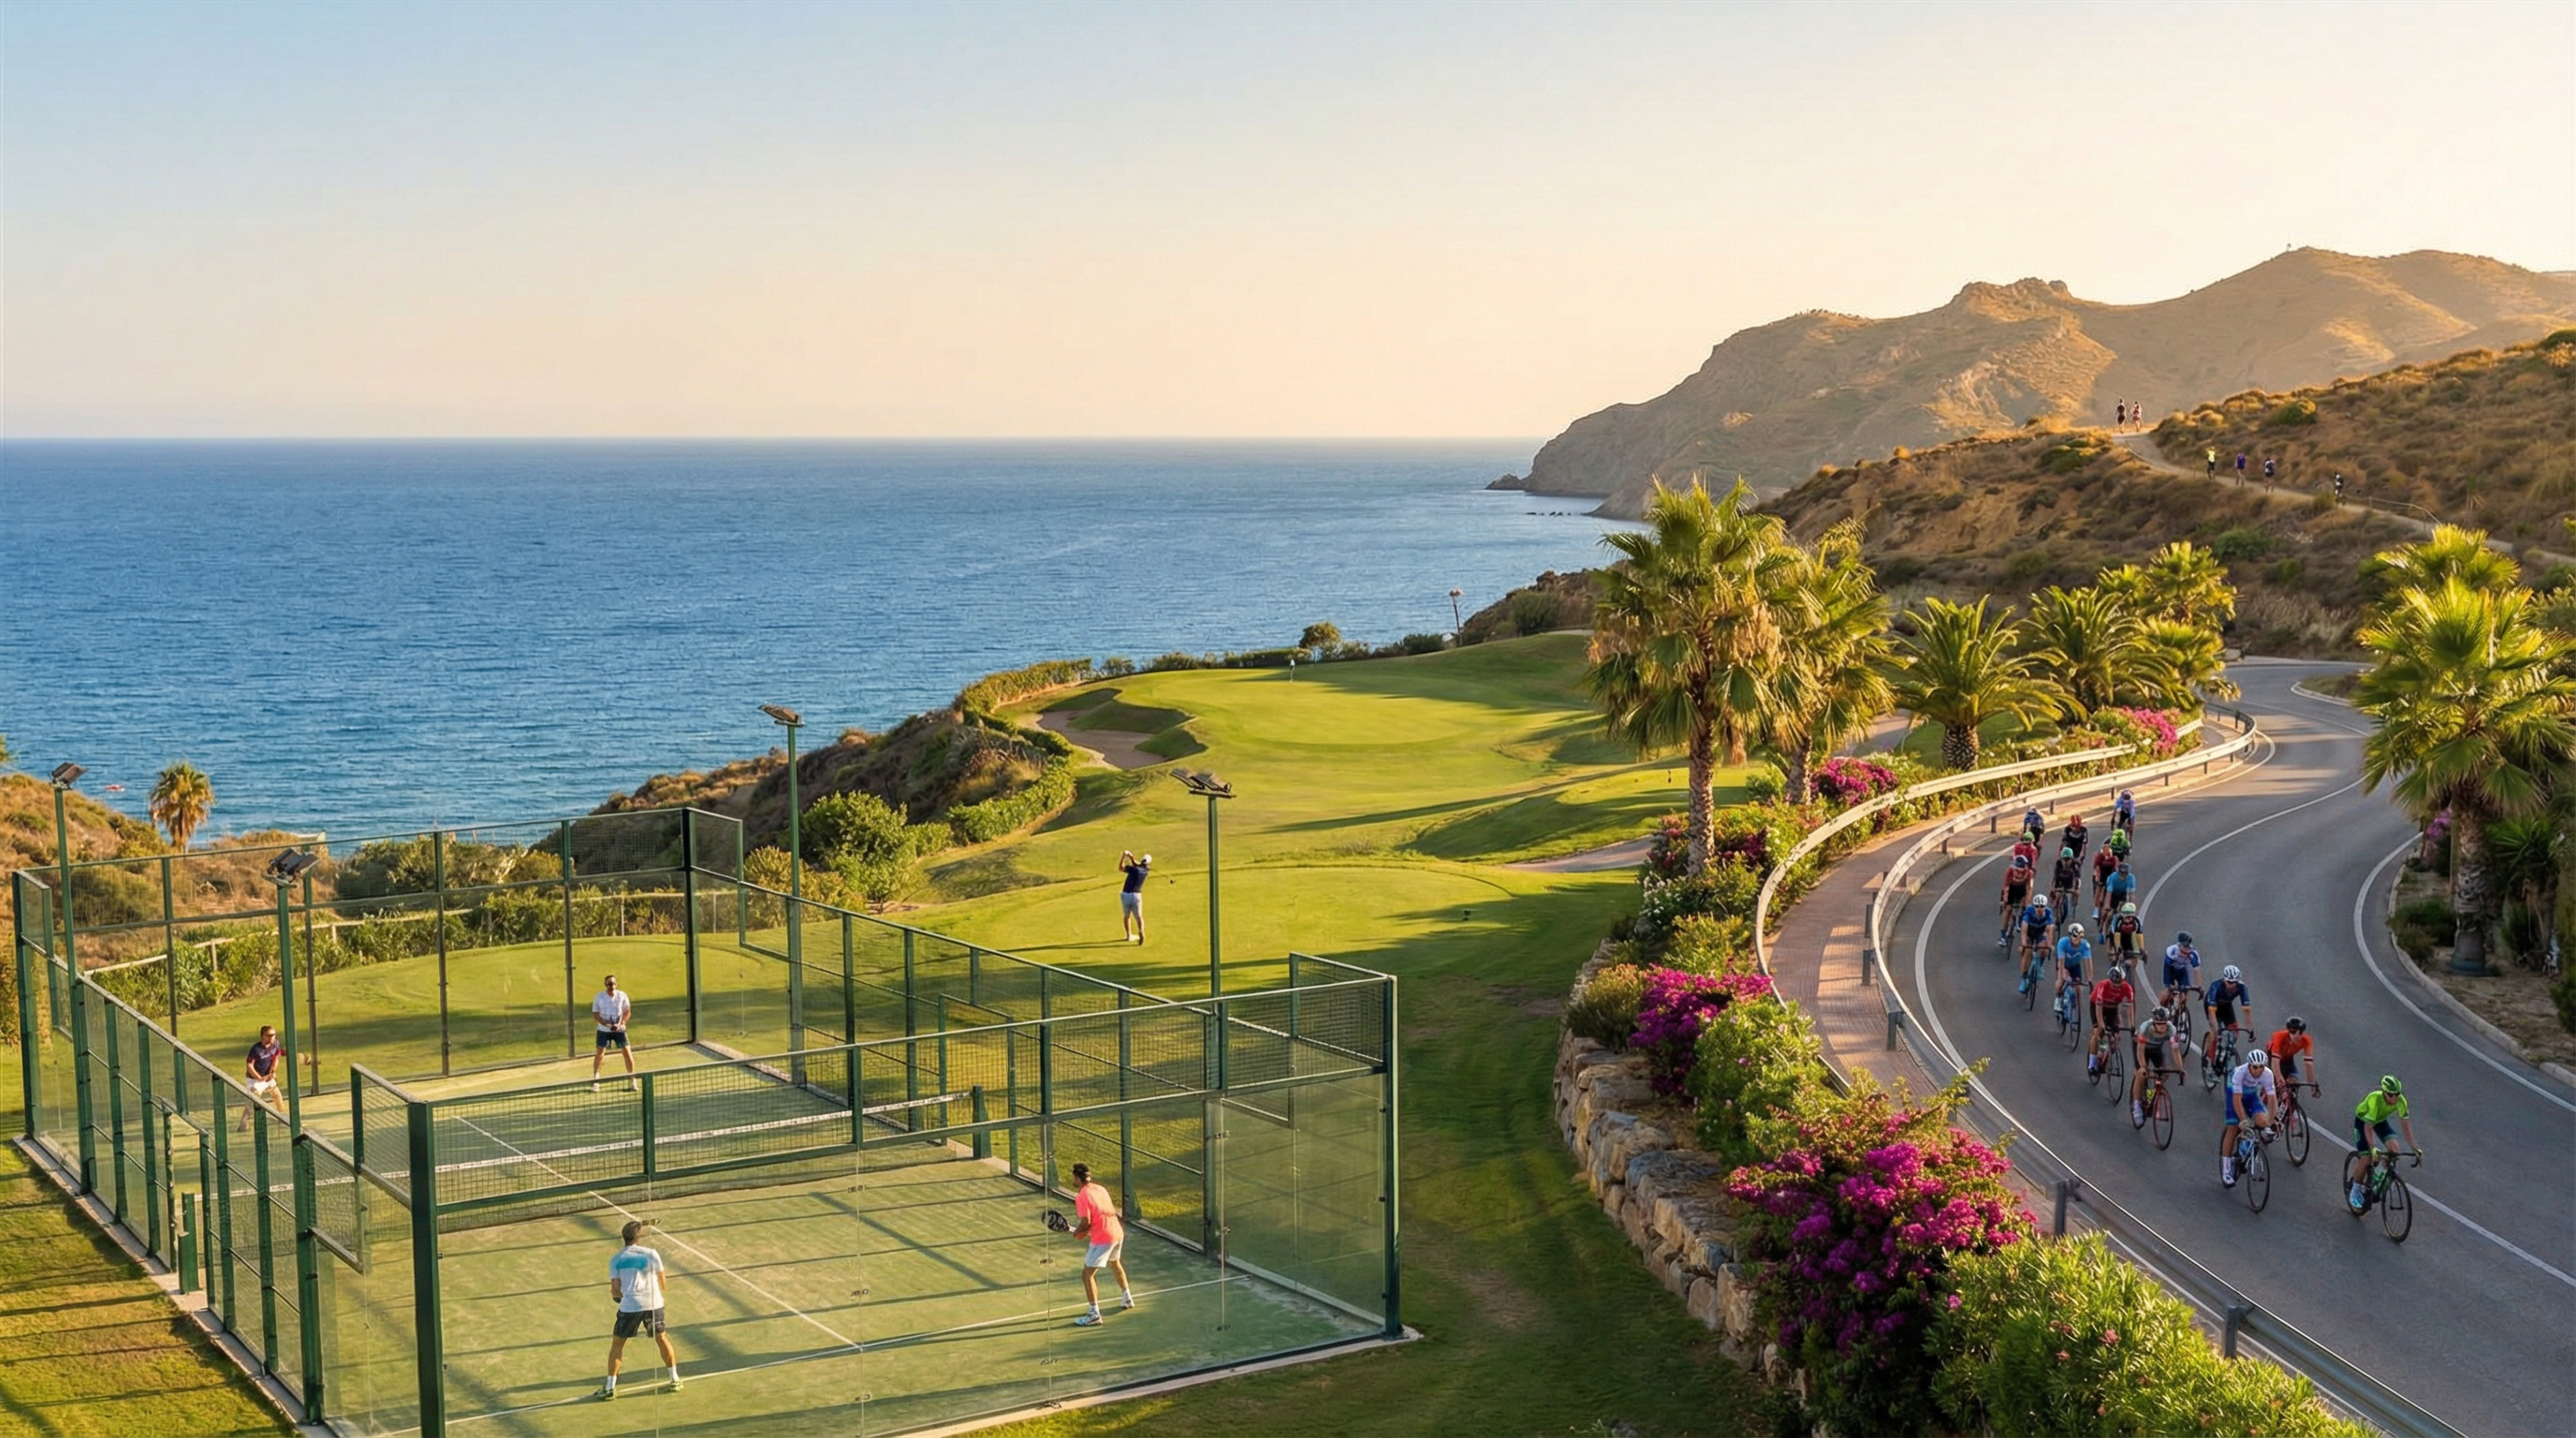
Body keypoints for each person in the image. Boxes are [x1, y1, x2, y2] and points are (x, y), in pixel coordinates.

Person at [594, 1219, 681, 1400]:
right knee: (661, 1337)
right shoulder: (652, 1254)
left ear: (623, 1238)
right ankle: (675, 1379)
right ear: (639, 1237)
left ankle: (610, 1388)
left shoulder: (616, 1259)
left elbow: (615, 1289)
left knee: (617, 1345)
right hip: (654, 1304)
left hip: (630, 1306)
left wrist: (618, 1297)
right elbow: (663, 1283)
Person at [1068, 1162, 1134, 1326]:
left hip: (1103, 1238)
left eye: (1074, 1177)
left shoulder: (1082, 1196)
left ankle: (1094, 1314)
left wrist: (1078, 1233)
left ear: (1077, 1178)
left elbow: (1086, 1223)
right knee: (1115, 1263)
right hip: (1117, 1233)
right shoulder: (1100, 1189)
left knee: (1087, 1274)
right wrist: (1083, 1232)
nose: (1073, 1179)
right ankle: (1127, 1298)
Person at [2345, 1076, 2420, 1211]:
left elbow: (2405, 1125)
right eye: (2391, 1095)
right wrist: (2373, 1148)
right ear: (2384, 1092)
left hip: (2380, 1121)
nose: (2394, 1098)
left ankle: (2381, 1177)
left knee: (2394, 1149)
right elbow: (2368, 1127)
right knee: (2367, 1156)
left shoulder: (2401, 1101)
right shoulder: (2375, 1099)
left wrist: (2414, 1148)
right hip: (2363, 1121)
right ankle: (2354, 1191)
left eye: (2397, 1094)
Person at [2218, 1049, 2277, 1187]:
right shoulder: (2240, 1073)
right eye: (2255, 1067)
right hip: (2234, 1094)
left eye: (2261, 1067)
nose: (2258, 1070)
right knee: (2234, 1126)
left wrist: (2272, 1120)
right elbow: (2237, 1100)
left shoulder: (2267, 1074)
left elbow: (2272, 1098)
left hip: (2251, 1096)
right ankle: (2226, 1168)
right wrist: (2243, 1121)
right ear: (2249, 1065)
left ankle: (2246, 1146)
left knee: (2263, 1121)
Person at [2130, 1005, 2181, 1123]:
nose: (2162, 1026)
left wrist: (2180, 1068)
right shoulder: (2145, 1028)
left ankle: (2150, 1095)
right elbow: (2140, 1050)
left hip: (2156, 1049)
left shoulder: (2171, 1029)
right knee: (2142, 1074)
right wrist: (2144, 1067)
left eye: (2164, 1023)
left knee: (2164, 1072)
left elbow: (2175, 1050)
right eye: (2158, 1024)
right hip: (2141, 1048)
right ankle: (2136, 1106)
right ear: (2153, 1022)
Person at [2087, 961, 2134, 1077]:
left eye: (2118, 985)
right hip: (2098, 1006)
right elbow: (2098, 1009)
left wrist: (2132, 1025)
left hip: (2112, 1009)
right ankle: (2092, 1064)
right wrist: (2101, 1025)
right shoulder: (2103, 986)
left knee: (2116, 1036)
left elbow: (2130, 1007)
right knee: (2097, 1032)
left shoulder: (2127, 988)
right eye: (2113, 984)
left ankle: (2105, 1052)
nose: (2115, 987)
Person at [591, 975, 636, 1093]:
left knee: (627, 1053)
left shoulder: (622, 996)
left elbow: (627, 1012)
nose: (612, 986)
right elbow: (596, 1015)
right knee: (600, 1054)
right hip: (603, 1031)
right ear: (606, 985)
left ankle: (632, 1080)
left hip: (620, 1030)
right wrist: (607, 1025)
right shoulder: (599, 997)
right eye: (609, 984)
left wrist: (621, 1024)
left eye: (614, 983)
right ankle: (596, 1080)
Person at [2203, 965, 2252, 1066]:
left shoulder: (2242, 987)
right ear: (2225, 980)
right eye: (2229, 982)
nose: (2232, 985)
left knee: (2235, 1030)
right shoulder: (2215, 986)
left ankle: (2225, 1052)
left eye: (2235, 982)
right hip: (2212, 1006)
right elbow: (2212, 1012)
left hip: (2226, 1006)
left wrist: (2251, 1030)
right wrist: (2216, 1029)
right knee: (2215, 1034)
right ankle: (2207, 1057)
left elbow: (2247, 1010)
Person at [240, 1025, 285, 1130]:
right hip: (254, 1080)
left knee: (277, 1095)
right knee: (252, 1101)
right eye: (268, 1035)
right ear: (262, 1036)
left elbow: (276, 1058)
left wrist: (273, 1070)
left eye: (273, 1035)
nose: (271, 1038)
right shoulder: (255, 1049)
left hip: (268, 1077)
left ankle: (282, 1116)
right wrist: (258, 1077)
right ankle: (243, 1123)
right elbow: (249, 1065)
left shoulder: (275, 1044)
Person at [2267, 1015, 2317, 1097]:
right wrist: (2281, 1084)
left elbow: (2309, 1065)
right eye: (2291, 1032)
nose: (2293, 1035)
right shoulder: (2278, 1036)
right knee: (2274, 1084)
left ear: (2301, 1032)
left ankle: (2290, 1107)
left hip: (2288, 1060)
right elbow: (2275, 1064)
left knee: (2293, 1082)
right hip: (2271, 1058)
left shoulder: (2307, 1041)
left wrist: (2313, 1086)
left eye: (2296, 1032)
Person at [2053, 923, 2091, 1019]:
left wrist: (2090, 980)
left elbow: (2088, 963)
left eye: (2078, 939)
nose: (2076, 941)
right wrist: (2062, 976)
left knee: (2077, 987)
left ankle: (2077, 1011)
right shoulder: (2063, 943)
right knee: (2061, 980)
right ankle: (2058, 999)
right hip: (2063, 964)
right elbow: (2061, 962)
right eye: (2074, 938)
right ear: (2070, 937)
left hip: (2075, 965)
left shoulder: (2085, 945)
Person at [1998, 854, 2036, 946]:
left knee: (2024, 903)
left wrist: (2027, 902)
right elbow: (2006, 886)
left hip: (2022, 888)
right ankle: (2002, 935)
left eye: (2021, 868)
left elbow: (2029, 888)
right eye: (2017, 869)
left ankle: (2020, 919)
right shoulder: (2010, 871)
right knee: (2008, 909)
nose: (2019, 872)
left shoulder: (2029, 873)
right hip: (2011, 888)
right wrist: (2005, 900)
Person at [2161, 932, 2202, 1014]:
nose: (2186, 949)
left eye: (2188, 947)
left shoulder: (2193, 954)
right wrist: (2169, 985)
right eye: (2184, 946)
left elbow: (2197, 971)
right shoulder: (2172, 951)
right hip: (2171, 970)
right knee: (2168, 992)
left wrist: (2198, 987)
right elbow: (2167, 968)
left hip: (2182, 971)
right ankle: (2161, 1009)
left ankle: (2180, 1013)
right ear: (2179, 945)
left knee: (2185, 994)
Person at [1117, 851, 1151, 944]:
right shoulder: (1146, 870)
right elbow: (1137, 864)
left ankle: (1129, 935)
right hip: (1137, 895)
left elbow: (1120, 868)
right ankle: (1141, 931)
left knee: (1126, 916)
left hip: (1126, 895)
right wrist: (1131, 858)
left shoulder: (1133, 869)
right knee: (1139, 916)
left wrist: (1124, 856)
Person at [2017, 894, 2056, 976]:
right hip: (2029, 932)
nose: (2039, 908)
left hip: (2040, 933)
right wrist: (2023, 943)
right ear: (2034, 906)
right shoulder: (2029, 911)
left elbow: (2050, 929)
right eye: (2037, 906)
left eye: (2042, 906)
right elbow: (2024, 927)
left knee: (2043, 949)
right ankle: (2024, 976)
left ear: (2045, 906)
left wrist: (2049, 945)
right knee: (2028, 951)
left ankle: (2039, 967)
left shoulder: (2048, 912)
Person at [2049, 845, 2083, 925]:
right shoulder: (2058, 864)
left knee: (2076, 892)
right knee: (2056, 894)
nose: (2066, 862)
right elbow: (2055, 878)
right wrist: (2053, 888)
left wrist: (2077, 890)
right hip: (2060, 879)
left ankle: (2074, 904)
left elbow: (2078, 879)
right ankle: (2056, 913)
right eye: (2064, 859)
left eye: (2068, 859)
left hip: (2070, 880)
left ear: (2071, 859)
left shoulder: (2075, 864)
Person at [2107, 899, 2145, 968]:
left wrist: (2142, 950)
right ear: (2122, 914)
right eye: (2126, 914)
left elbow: (2139, 936)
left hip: (2128, 936)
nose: (2128, 917)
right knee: (2114, 956)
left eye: (2130, 915)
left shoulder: (2137, 922)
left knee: (2134, 958)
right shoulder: (2118, 921)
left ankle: (2131, 972)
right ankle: (2113, 967)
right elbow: (2116, 937)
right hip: (2115, 935)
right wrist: (2118, 949)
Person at [2090, 842, 2120, 917]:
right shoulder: (2099, 857)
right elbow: (2096, 867)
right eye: (2105, 852)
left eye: (2108, 853)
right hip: (2101, 875)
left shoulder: (2114, 859)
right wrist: (2097, 877)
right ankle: (2096, 909)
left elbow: (2116, 869)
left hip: (2110, 875)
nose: (2107, 855)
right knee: (2099, 890)